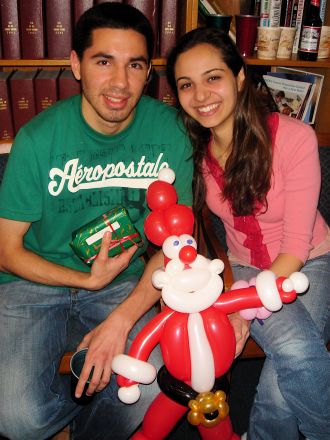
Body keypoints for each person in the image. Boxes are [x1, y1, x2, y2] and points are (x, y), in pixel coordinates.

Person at [0, 3, 193, 440]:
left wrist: (123, 319)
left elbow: (177, 244)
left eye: (135, 65)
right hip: (33, 282)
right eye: (104, 62)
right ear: (76, 65)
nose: (120, 84)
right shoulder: (37, 139)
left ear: (148, 73)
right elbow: (6, 250)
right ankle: (76, 410)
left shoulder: (170, 132)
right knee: (16, 418)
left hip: (124, 283)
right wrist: (83, 280)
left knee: (147, 383)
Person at [166, 27, 330, 440]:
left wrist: (241, 308)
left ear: (239, 77)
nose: (201, 95)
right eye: (187, 84)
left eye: (213, 77)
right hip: (241, 267)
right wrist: (234, 296)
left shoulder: (295, 138)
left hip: (310, 261)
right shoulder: (195, 154)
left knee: (286, 367)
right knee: (292, 356)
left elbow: (295, 245)